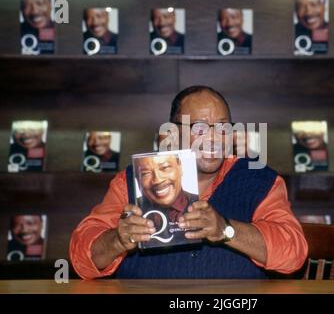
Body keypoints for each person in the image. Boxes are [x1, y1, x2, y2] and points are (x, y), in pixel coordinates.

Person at [70, 85, 308, 279]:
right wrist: (118, 240)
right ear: (171, 134)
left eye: (224, 127)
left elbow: (294, 254)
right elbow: (82, 257)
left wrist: (225, 229)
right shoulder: (133, 180)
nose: (215, 137)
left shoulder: (260, 180)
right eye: (200, 128)